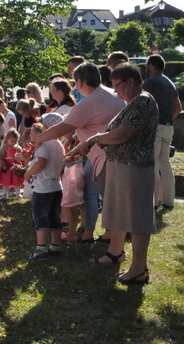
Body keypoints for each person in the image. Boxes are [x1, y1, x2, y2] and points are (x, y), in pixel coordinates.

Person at [70, 64, 158, 284]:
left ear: (130, 82)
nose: (116, 91)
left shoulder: (142, 101)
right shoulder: (133, 102)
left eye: (118, 86)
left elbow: (123, 134)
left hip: (135, 169)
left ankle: (139, 269)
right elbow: (115, 132)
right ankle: (121, 256)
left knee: (138, 220)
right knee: (125, 215)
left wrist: (94, 139)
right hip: (124, 168)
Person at [34, 62, 126, 244]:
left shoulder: (90, 102)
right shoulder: (111, 94)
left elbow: (63, 128)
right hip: (118, 154)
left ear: (81, 82)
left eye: (75, 83)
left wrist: (39, 139)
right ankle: (110, 236)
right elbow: (91, 133)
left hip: (106, 157)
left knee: (111, 201)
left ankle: (114, 246)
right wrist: (74, 151)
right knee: (112, 199)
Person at [143, 54, 181, 211]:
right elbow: (178, 108)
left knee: (153, 163)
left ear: (151, 66)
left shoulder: (150, 82)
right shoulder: (169, 82)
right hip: (168, 126)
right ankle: (169, 200)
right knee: (165, 164)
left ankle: (153, 202)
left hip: (155, 127)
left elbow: (142, 104)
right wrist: (167, 119)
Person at [22, 122, 65, 260]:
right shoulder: (58, 144)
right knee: (55, 218)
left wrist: (28, 174)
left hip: (43, 188)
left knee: (41, 218)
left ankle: (41, 249)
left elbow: (41, 162)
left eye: (32, 132)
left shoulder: (44, 144)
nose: (31, 136)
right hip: (56, 186)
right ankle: (55, 246)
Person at [0, 128, 22, 198]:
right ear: (7, 139)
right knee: (5, 180)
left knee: (17, 179)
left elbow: (21, 157)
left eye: (15, 141)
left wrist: (17, 158)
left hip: (15, 166)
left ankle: (18, 193)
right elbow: (0, 158)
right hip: (7, 166)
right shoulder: (4, 148)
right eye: (12, 141)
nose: (14, 143)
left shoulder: (18, 148)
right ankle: (5, 192)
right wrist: (3, 165)